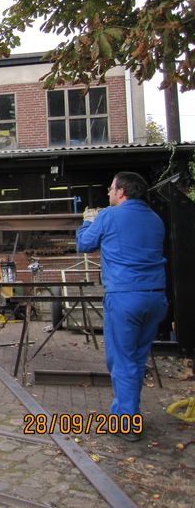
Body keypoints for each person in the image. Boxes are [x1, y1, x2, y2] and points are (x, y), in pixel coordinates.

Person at [76, 172, 167, 440]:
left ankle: (126, 424)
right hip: (155, 297)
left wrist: (86, 221)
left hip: (126, 298)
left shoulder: (108, 216)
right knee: (136, 359)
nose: (108, 193)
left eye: (110, 189)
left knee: (121, 360)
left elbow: (84, 243)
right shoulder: (155, 219)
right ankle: (125, 413)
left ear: (122, 191)